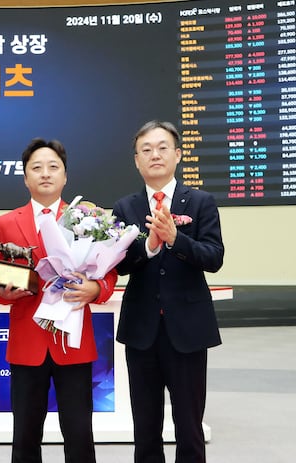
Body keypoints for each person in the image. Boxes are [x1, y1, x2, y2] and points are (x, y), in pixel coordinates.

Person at [0, 138, 117, 463]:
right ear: (25, 178)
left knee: (79, 435)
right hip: (27, 344)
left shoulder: (89, 219)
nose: (45, 173)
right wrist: (3, 293)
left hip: (73, 343)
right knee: (25, 437)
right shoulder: (5, 223)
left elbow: (109, 275)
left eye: (53, 167)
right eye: (37, 168)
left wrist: (95, 289)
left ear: (65, 176)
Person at [112, 120, 225, 463]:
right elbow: (118, 266)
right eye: (146, 150)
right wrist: (149, 247)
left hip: (188, 329)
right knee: (145, 427)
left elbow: (214, 257)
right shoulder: (125, 207)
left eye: (162, 148)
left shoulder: (201, 202)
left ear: (177, 155)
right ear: (136, 161)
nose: (155, 155)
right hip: (141, 330)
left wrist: (176, 239)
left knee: (189, 425)